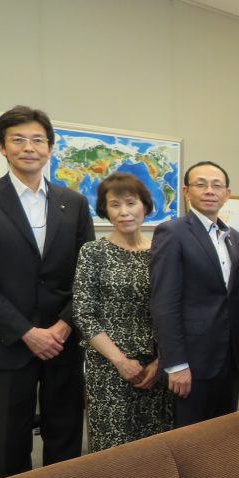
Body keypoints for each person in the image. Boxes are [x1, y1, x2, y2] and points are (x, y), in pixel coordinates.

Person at [0, 105, 94, 477]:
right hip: (8, 341)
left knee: (65, 430)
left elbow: (86, 274)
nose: (28, 147)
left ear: (50, 148)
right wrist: (26, 332)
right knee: (11, 439)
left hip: (63, 341)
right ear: (2, 147)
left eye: (37, 140)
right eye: (18, 140)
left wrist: (64, 325)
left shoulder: (74, 203)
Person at [73, 172, 172, 451]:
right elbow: (83, 312)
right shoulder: (93, 252)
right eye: (115, 205)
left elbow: (172, 311)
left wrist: (161, 361)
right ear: (105, 210)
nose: (124, 212)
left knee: (157, 447)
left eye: (131, 203)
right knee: (114, 450)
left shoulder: (160, 253)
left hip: (155, 367)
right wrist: (120, 361)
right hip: (109, 367)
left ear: (145, 206)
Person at [149, 160, 239, 427]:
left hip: (229, 360)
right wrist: (176, 364)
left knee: (224, 434)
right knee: (191, 439)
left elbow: (235, 299)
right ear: (186, 191)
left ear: (227, 193)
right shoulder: (172, 232)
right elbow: (164, 303)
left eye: (217, 185)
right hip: (192, 362)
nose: (209, 191)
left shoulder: (234, 237)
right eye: (201, 184)